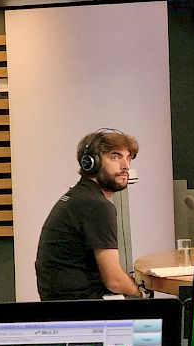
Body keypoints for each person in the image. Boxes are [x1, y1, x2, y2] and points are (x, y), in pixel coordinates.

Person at [35, 128, 147, 300]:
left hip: (64, 302)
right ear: (91, 163)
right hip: (82, 307)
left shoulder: (79, 196)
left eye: (128, 158)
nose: (126, 166)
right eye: (115, 157)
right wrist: (141, 295)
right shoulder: (96, 205)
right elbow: (114, 281)